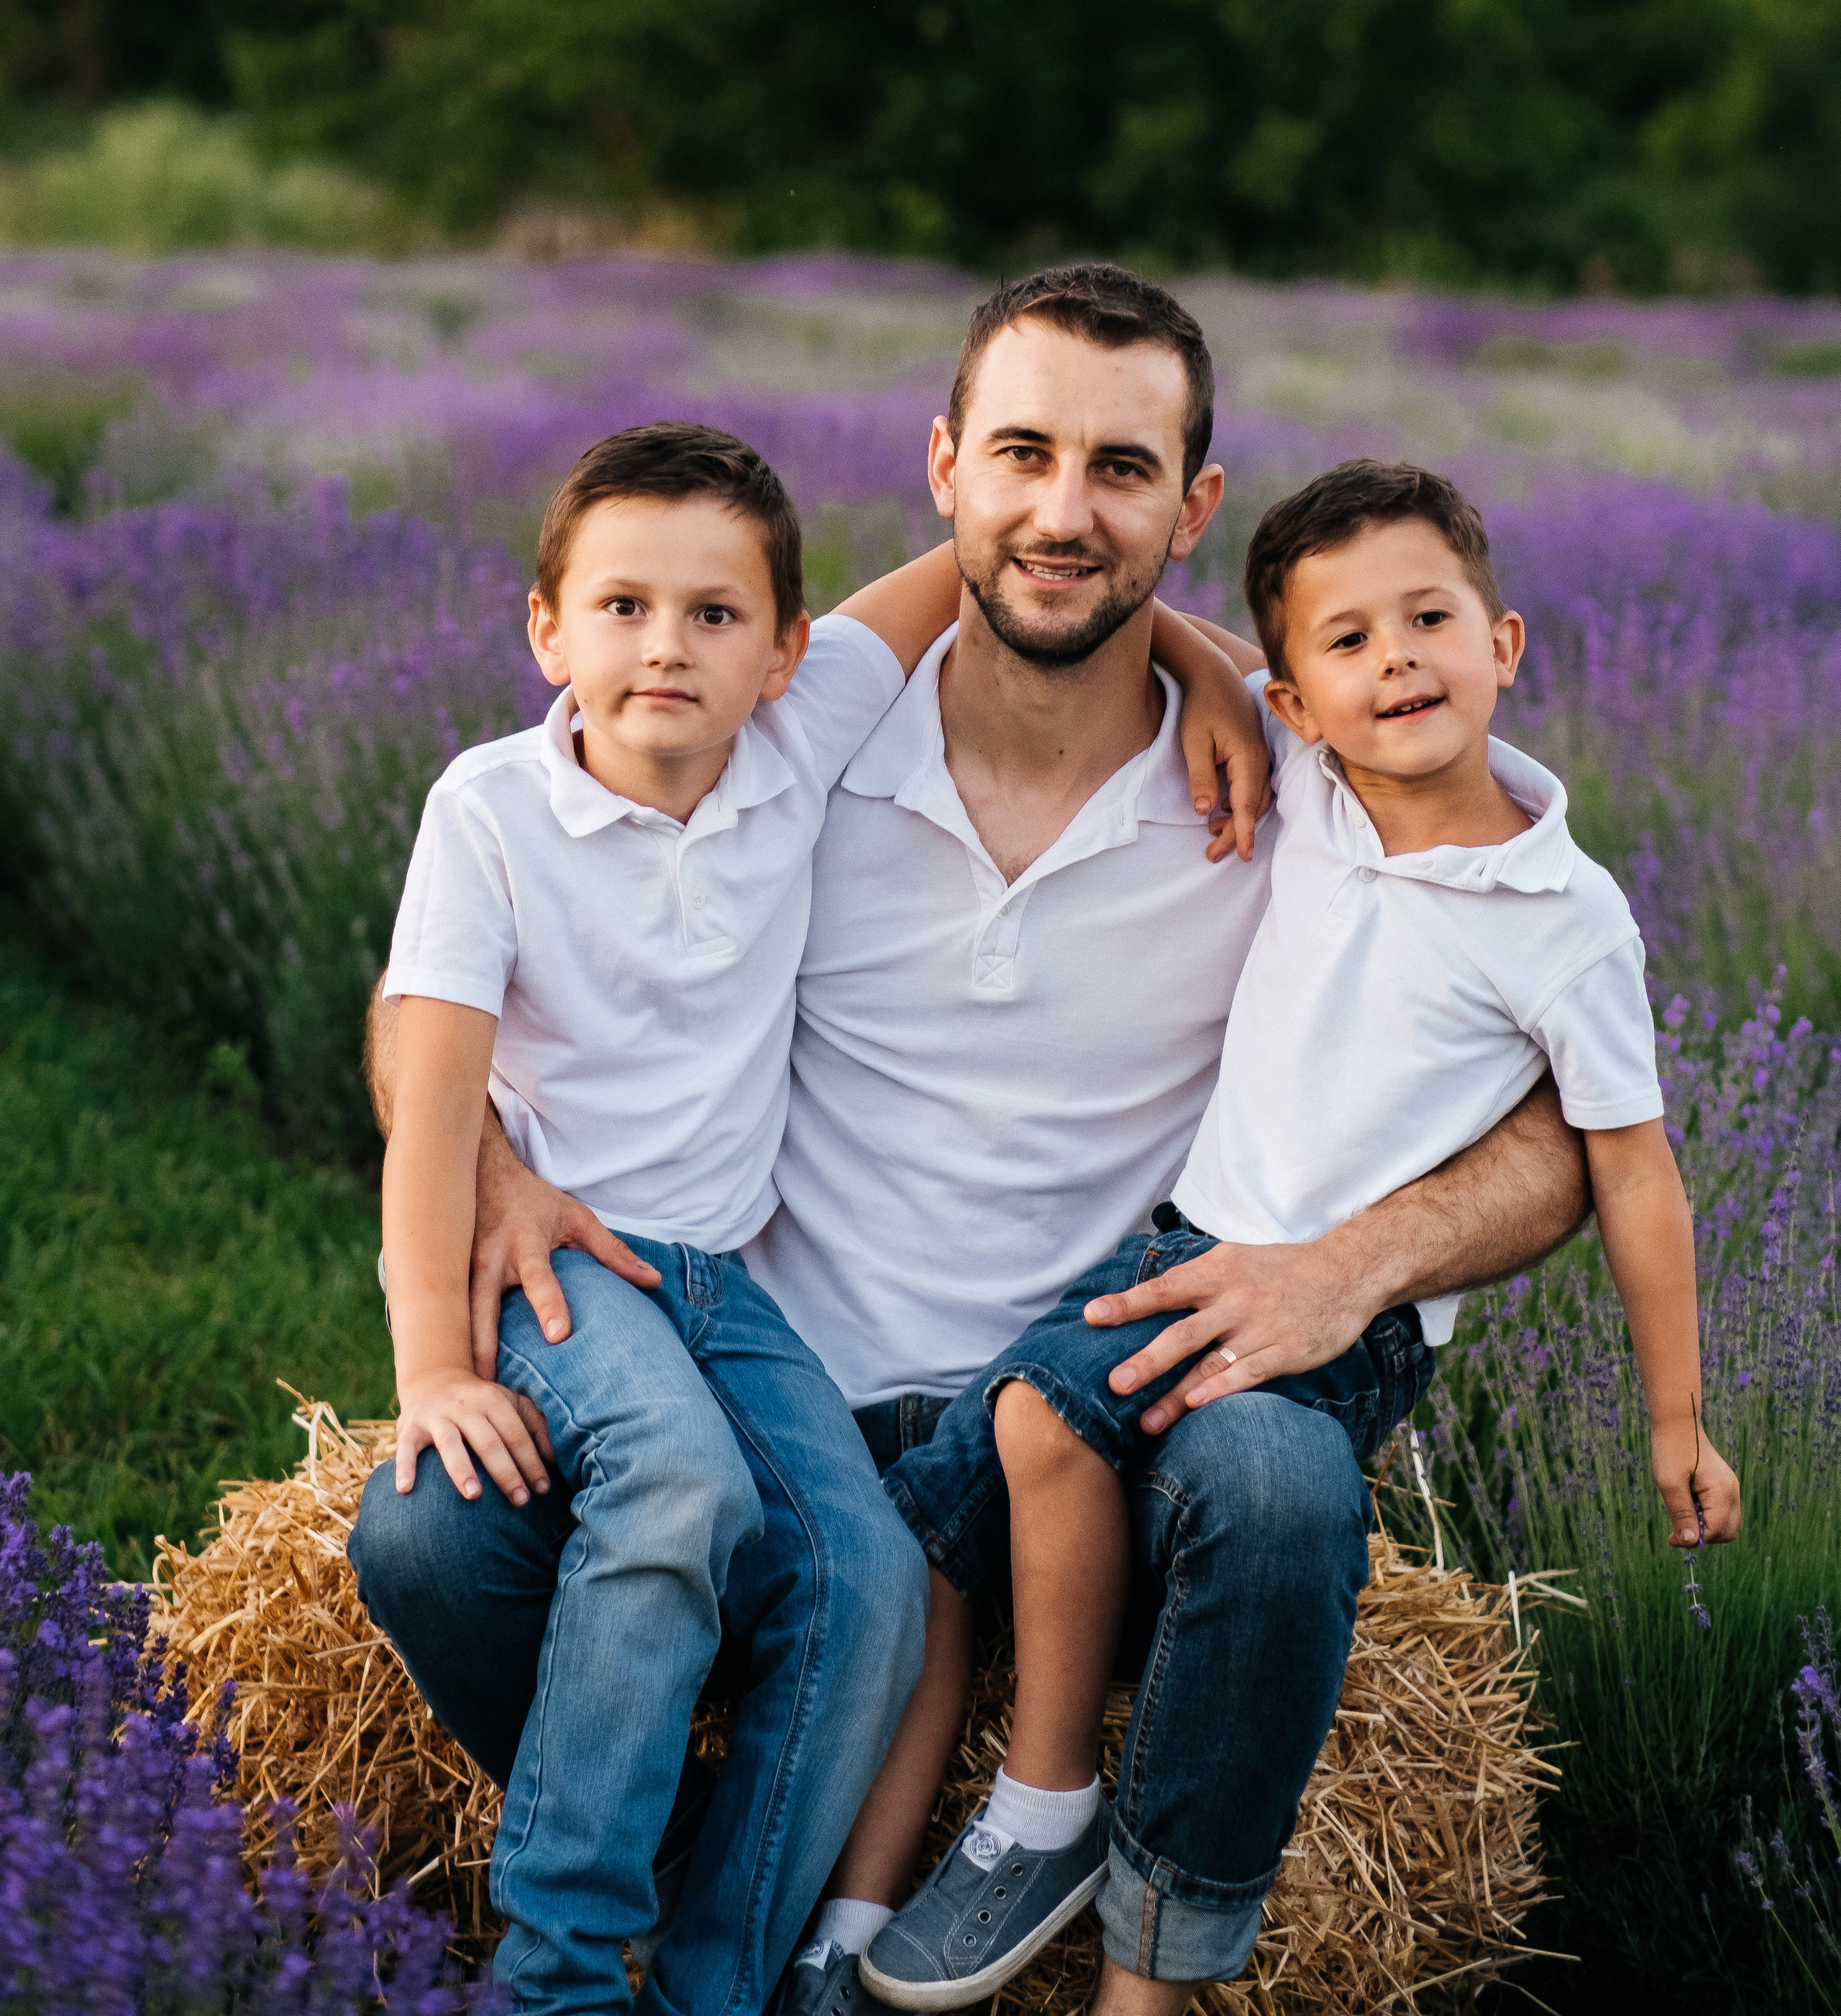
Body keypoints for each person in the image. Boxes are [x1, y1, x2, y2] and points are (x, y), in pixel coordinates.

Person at [361, 265, 1596, 2016]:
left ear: (1194, 507)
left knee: (1277, 1476)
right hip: (791, 1389)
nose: (1062, 511)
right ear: (943, 465)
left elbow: (1572, 1128)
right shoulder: (787, 727)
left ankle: (1142, 1972)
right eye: (1021, 453)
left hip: (1106, 1415)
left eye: (1119, 469)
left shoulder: (1313, 772)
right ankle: (712, 1866)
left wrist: (1350, 1268)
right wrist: (492, 1171)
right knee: (425, 1537)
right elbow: (439, 1000)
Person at [352, 410, 1269, 2016]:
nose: (666, 648)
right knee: (679, 1494)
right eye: (622, 608)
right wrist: (435, 1366)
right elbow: (433, 1114)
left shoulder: (802, 727)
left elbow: (1002, 577)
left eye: (715, 617)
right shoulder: (487, 812)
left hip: (726, 1286)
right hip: (573, 1280)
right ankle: (559, 1970)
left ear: (785, 650)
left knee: (858, 1577)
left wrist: (1192, 661)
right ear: (543, 629)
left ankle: (719, 1982)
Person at [853, 457, 1742, 2011]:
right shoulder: (1312, 785)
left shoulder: (1563, 913)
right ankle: (876, 1897)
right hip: (1185, 1242)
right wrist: (1204, 661)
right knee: (963, 1489)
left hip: (1351, 1333)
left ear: (1504, 643)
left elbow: (1634, 1169)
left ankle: (1051, 1814)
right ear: (1297, 697)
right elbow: (1153, 623)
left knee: (1067, 1428)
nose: (1393, 656)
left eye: (1427, 619)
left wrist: (1675, 1416)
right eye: (1347, 641)